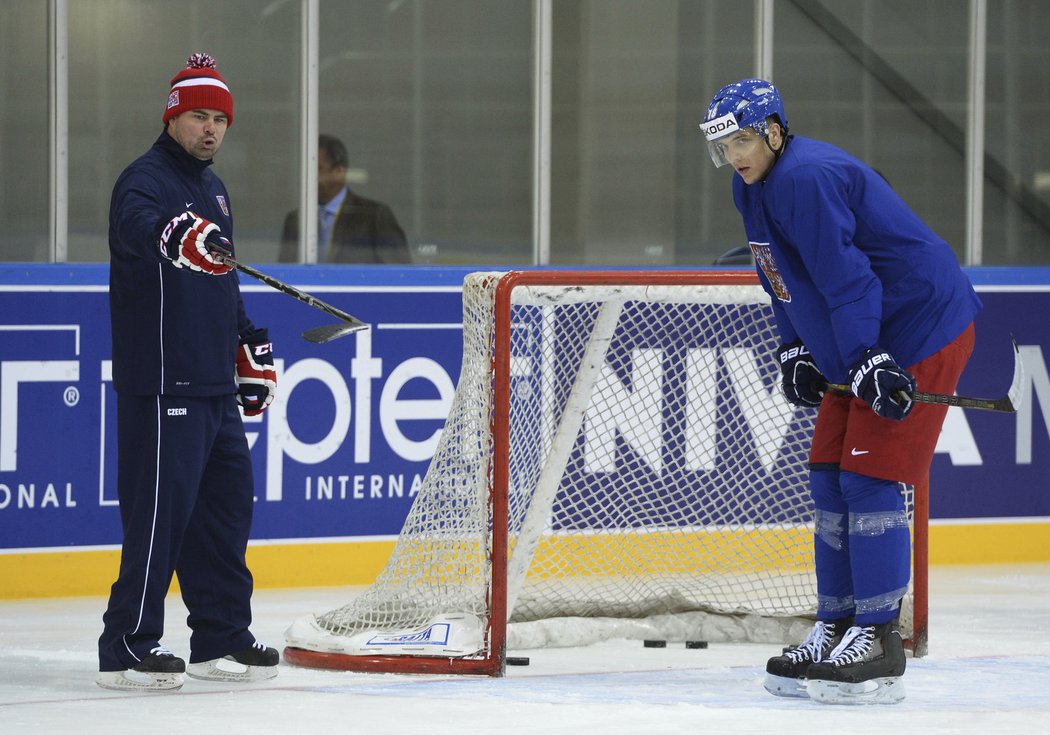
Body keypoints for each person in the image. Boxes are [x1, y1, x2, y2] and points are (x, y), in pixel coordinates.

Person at [699, 79, 981, 705]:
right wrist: (794, 346)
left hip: (919, 325)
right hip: (869, 337)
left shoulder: (807, 178)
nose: (735, 155)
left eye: (742, 139)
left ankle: (879, 637)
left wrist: (866, 359)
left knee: (869, 476)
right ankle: (838, 624)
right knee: (828, 472)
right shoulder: (751, 186)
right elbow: (780, 275)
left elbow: (849, 281)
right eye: (724, 147)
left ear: (773, 130)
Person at [98, 53, 280, 691]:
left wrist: (246, 344)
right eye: (198, 116)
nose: (211, 129)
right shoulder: (143, 180)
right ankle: (126, 645)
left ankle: (220, 637)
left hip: (212, 386)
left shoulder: (214, 189)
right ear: (172, 117)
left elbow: (222, 281)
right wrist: (174, 236)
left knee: (226, 515)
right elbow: (137, 228)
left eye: (220, 119)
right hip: (161, 385)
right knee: (158, 518)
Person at [278, 134, 411, 264]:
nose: (309, 176)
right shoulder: (296, 220)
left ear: (338, 172)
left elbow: (401, 275)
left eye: (317, 169)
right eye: (306, 169)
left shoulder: (374, 216)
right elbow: (283, 276)